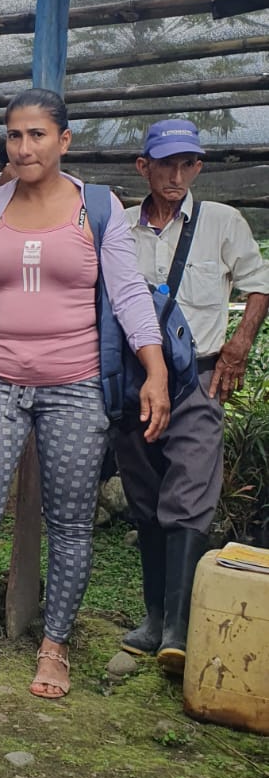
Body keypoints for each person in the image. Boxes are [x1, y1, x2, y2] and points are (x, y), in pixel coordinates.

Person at [0, 89, 170, 705]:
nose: (23, 148)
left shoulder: (98, 207)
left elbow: (128, 295)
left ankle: (55, 644)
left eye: (37, 135)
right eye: (14, 136)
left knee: (69, 522)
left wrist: (155, 370)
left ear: (63, 140)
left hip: (76, 386)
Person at [115, 118, 269, 674]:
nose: (177, 176)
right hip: (133, 381)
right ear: (144, 167)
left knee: (190, 493)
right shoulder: (120, 227)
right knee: (144, 495)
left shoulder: (222, 222)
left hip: (201, 377)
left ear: (198, 166)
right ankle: (154, 618)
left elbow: (259, 283)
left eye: (188, 164)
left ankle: (178, 630)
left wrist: (239, 346)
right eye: (165, 164)